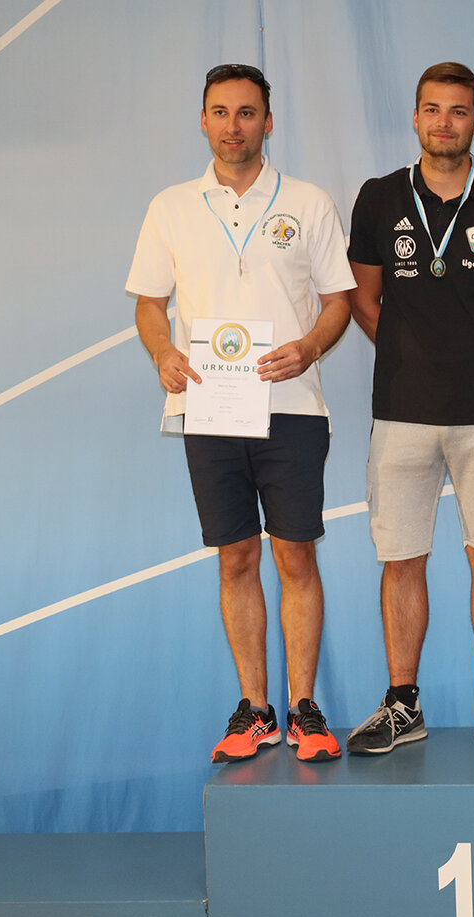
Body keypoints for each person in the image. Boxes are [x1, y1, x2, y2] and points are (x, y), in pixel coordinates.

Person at [127, 64, 356, 763]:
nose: (234, 125)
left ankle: (304, 707)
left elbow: (339, 301)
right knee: (236, 556)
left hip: (291, 409)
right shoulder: (170, 206)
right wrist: (162, 351)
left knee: (295, 555)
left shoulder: (309, 202)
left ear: (268, 122)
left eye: (247, 112)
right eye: (221, 112)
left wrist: (309, 347)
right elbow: (149, 303)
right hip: (209, 406)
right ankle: (255, 709)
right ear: (203, 121)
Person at [345, 62, 474, 756]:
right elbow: (363, 298)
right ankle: (403, 703)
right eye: (432, 109)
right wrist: (415, 351)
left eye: (458, 111)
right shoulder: (378, 197)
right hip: (402, 408)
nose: (444, 123)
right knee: (401, 558)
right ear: (416, 117)